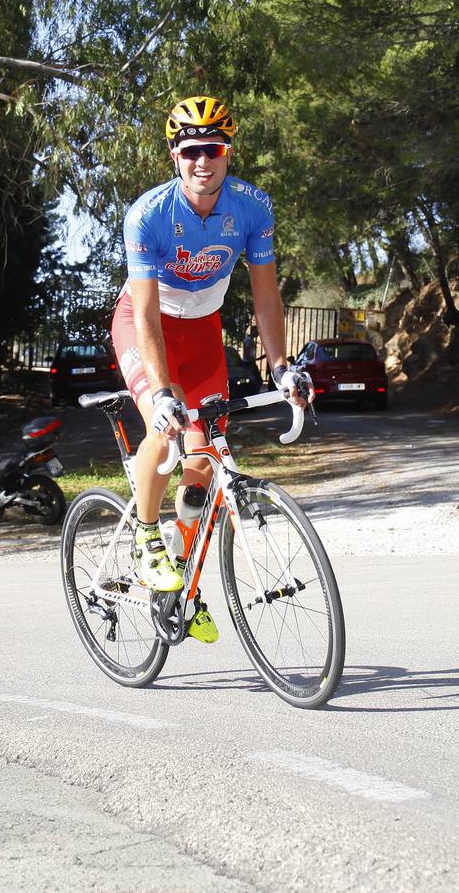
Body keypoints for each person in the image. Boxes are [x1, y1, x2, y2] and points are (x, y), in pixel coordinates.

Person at [111, 95, 309, 642]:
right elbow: (146, 312)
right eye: (192, 149)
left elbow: (266, 299)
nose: (204, 160)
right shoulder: (149, 214)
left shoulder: (252, 207)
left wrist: (281, 367)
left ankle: (183, 565)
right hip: (146, 323)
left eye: (213, 149)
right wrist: (163, 390)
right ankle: (147, 538)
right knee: (165, 421)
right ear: (175, 155)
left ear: (228, 152)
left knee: (203, 459)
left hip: (203, 332)